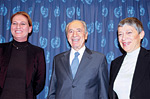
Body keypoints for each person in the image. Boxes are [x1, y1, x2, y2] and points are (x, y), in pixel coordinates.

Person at [48, 20, 108, 99]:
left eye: (79, 31)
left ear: (86, 35)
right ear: (67, 36)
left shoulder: (99, 59)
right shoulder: (58, 59)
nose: (74, 35)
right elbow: (52, 92)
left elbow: (103, 94)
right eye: (71, 31)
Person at [0, 11, 46, 99]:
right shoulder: (1, 49)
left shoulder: (38, 52)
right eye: (14, 23)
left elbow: (39, 83)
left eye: (23, 24)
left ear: (30, 29)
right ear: (10, 27)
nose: (18, 27)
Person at [108, 17, 150, 99]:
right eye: (120, 34)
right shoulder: (115, 63)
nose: (123, 38)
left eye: (129, 33)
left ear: (141, 34)